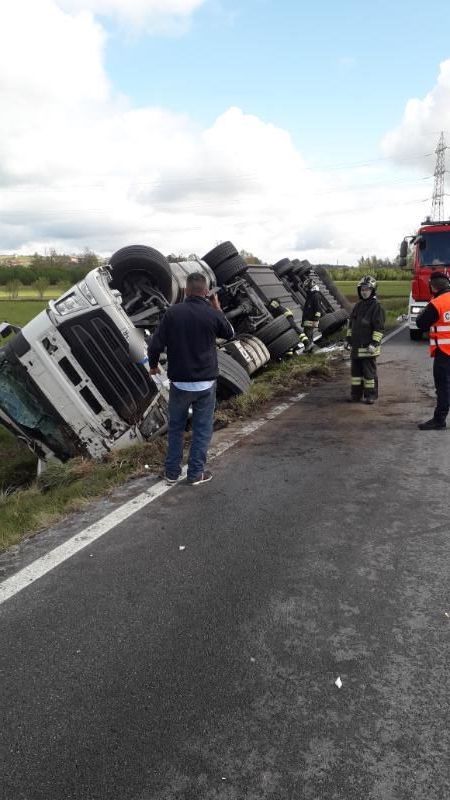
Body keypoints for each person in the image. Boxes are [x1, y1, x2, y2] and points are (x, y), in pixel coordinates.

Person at [148, 273, 234, 485]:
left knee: (176, 428)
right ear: (206, 292)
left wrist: (152, 365)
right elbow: (230, 333)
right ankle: (196, 473)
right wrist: (217, 307)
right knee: (202, 429)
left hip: (179, 383)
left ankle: (171, 473)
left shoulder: (172, 313)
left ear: (186, 290)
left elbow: (155, 345)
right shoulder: (211, 314)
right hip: (206, 384)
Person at [415, 271, 450, 430]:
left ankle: (439, 420)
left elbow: (421, 323)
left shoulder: (437, 303)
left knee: (443, 387)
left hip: (445, 352)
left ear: (432, 286)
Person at [345, 275, 385, 404]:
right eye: (362, 289)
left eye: (367, 289)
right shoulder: (358, 305)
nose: (364, 291)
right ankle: (356, 395)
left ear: (372, 290)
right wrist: (348, 339)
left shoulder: (376, 306)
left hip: (368, 348)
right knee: (355, 375)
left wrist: (374, 343)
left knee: (369, 375)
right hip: (356, 348)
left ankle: (371, 396)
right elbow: (352, 324)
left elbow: (379, 328)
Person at [302, 276, 323, 352]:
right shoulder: (311, 295)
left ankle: (309, 347)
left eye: (307, 287)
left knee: (308, 333)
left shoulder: (316, 295)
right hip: (308, 318)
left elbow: (318, 308)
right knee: (307, 332)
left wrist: (316, 318)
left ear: (310, 286)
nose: (306, 289)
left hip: (312, 318)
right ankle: (310, 347)